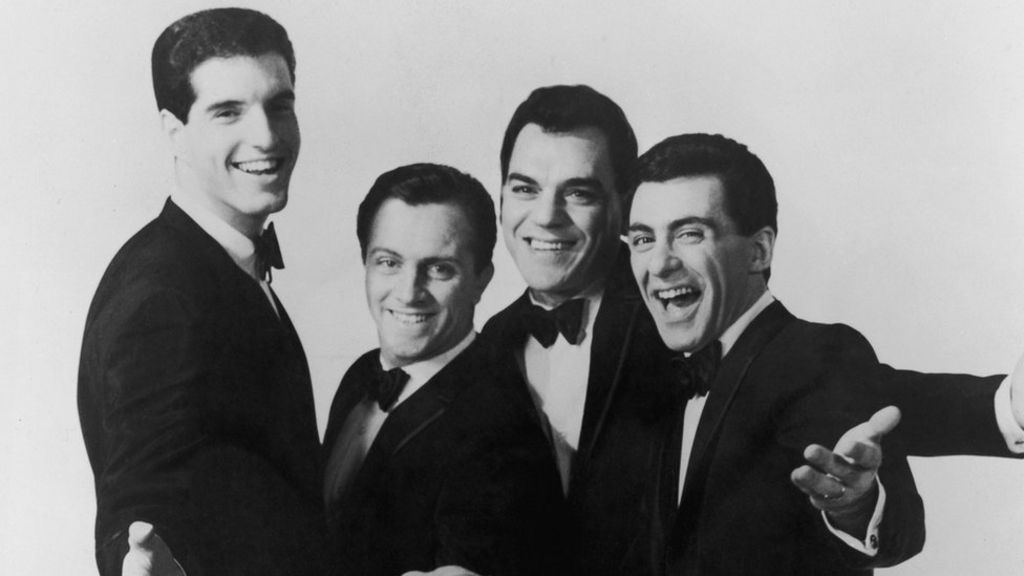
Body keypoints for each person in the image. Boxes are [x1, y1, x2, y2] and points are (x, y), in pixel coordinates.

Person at [77, 9, 332, 576]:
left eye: (279, 105)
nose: (267, 136)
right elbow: (138, 506)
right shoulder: (161, 296)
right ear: (174, 132)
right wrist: (136, 558)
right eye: (228, 112)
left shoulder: (214, 261)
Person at [623, 133, 925, 574]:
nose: (658, 264)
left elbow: (901, 531)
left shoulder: (820, 355)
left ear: (758, 251)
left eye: (689, 234)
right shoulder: (664, 378)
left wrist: (853, 506)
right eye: (642, 239)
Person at [321, 163, 568, 576]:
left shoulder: (501, 433)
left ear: (481, 280)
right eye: (389, 262)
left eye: (439, 269)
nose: (408, 292)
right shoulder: (361, 375)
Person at [480, 85, 677, 573]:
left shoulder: (678, 326)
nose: (546, 217)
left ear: (623, 207)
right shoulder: (490, 341)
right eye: (525, 188)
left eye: (578, 193)